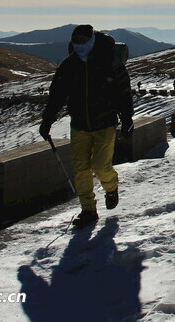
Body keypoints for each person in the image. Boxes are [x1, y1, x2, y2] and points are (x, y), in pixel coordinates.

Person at [39, 24, 134, 228]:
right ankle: (88, 210)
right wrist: (47, 120)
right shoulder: (69, 65)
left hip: (105, 123)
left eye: (83, 41)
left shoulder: (109, 61)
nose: (79, 45)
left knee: (100, 166)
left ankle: (111, 187)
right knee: (80, 169)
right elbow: (57, 95)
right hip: (79, 125)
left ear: (92, 40)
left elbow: (123, 91)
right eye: (76, 42)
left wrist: (127, 118)